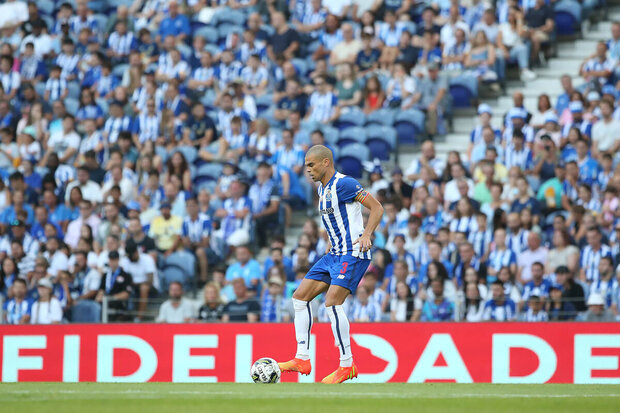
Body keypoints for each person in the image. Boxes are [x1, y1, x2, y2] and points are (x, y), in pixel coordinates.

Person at [277, 144, 383, 384]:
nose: (308, 170)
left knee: (332, 301)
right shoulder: (322, 189)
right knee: (299, 297)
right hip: (334, 253)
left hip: (353, 252)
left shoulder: (345, 184)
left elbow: (377, 208)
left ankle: (346, 365)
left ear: (326, 162)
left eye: (311, 164)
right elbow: (335, 220)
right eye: (306, 166)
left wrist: (367, 234)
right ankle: (302, 357)